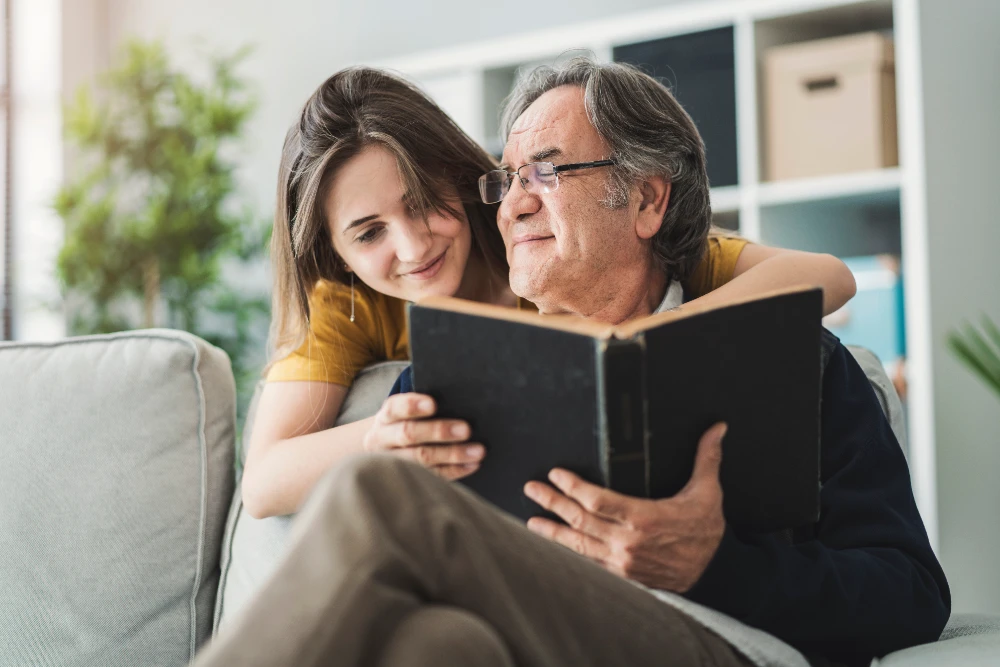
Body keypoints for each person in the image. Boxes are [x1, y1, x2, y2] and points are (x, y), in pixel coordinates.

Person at [195, 59, 949, 667]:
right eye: (506, 179)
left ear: (647, 200)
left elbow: (912, 592)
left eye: (546, 173)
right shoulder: (447, 375)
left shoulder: (799, 361)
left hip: (719, 638)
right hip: (538, 635)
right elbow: (271, 480)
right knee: (436, 646)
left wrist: (711, 562)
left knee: (379, 492)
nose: (512, 205)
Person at [242, 67, 858, 519]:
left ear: (460, 182)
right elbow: (264, 482)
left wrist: (646, 344)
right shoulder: (349, 302)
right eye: (370, 232)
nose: (412, 247)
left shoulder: (550, 231)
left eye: (425, 203)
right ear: (336, 255)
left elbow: (829, 275)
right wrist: (382, 440)